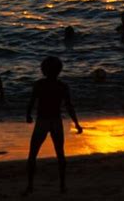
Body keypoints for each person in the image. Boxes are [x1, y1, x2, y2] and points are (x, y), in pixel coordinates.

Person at [24, 56, 82, 195]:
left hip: (42, 121)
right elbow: (69, 107)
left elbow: (32, 102)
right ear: (59, 70)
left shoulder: (39, 85)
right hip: (56, 121)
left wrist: (28, 115)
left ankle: (30, 186)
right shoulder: (62, 86)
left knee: (33, 154)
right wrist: (76, 123)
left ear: (43, 70)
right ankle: (62, 186)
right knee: (60, 154)